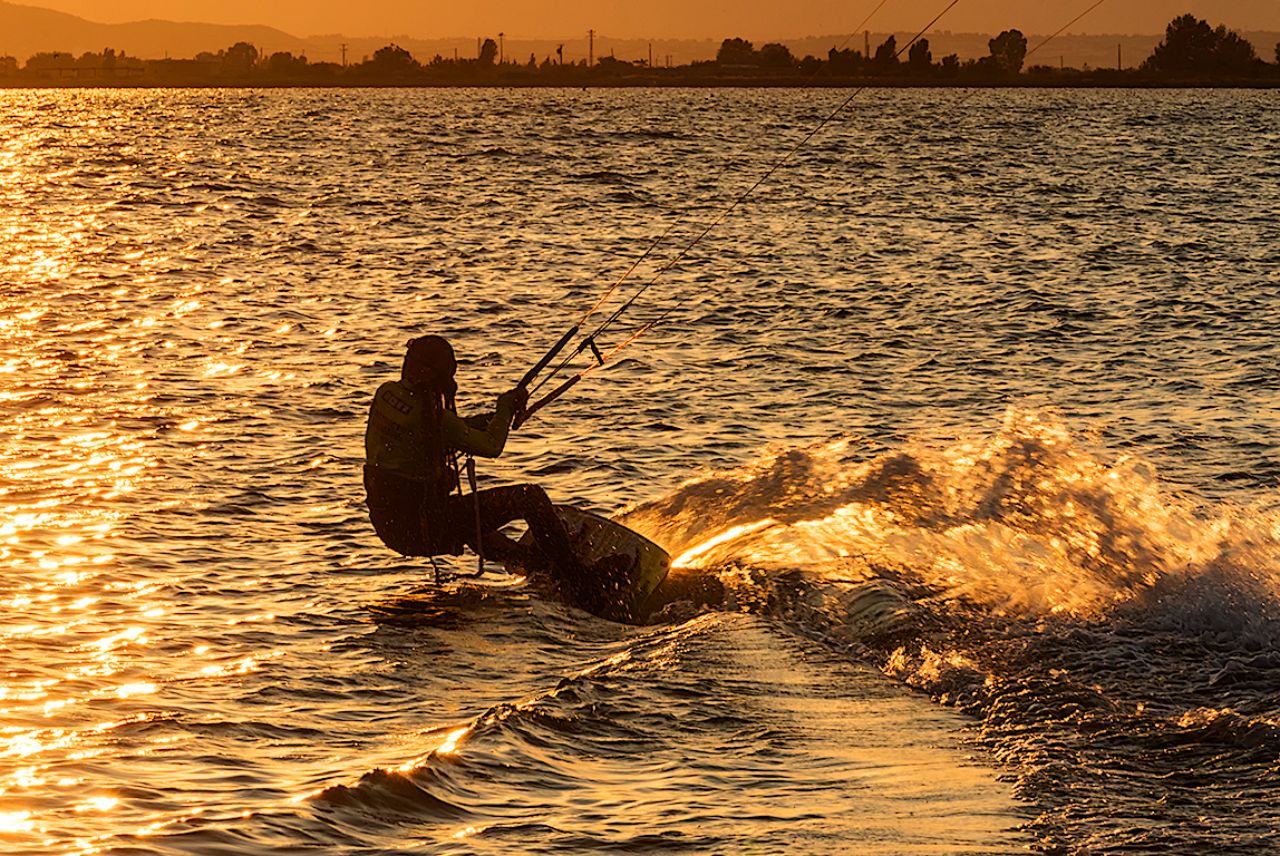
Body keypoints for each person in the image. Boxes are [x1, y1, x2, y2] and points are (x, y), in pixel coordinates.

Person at [363, 335, 599, 600]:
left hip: (393, 529)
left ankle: (540, 567)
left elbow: (440, 431)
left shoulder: (386, 394)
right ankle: (581, 580)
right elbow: (490, 446)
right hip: (426, 528)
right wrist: (504, 408)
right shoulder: (436, 419)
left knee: (475, 527)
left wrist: (494, 419)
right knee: (529, 497)